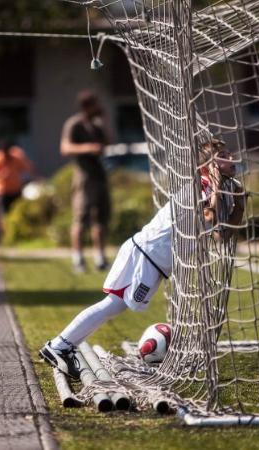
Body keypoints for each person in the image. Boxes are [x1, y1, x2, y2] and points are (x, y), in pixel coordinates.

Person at [39, 139, 244, 378]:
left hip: (150, 257)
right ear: (205, 168)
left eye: (230, 154)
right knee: (114, 305)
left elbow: (222, 235)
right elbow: (210, 217)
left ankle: (60, 346)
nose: (231, 159)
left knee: (112, 306)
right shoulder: (199, 187)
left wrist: (238, 205)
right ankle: (59, 346)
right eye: (223, 156)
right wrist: (220, 187)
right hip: (147, 254)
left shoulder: (220, 191)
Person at [60, 90, 111, 272]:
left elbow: (108, 142)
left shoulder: (96, 125)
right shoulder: (74, 124)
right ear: (87, 106)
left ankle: (100, 259)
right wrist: (88, 147)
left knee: (101, 219)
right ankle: (78, 260)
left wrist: (104, 123)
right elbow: (65, 147)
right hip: (84, 178)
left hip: (99, 176)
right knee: (81, 218)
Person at [0, 139, 36, 236]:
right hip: (1, 191)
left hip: (15, 189)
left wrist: (21, 154)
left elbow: (28, 167)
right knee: (2, 215)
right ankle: (5, 235)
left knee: (16, 213)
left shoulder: (16, 156)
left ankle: (16, 234)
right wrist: (3, 175)